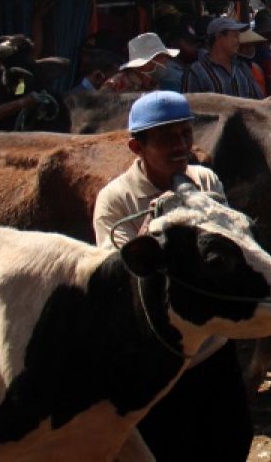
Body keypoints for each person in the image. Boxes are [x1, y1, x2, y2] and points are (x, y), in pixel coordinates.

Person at [91, 91, 252, 461]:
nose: (181, 146)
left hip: (212, 346)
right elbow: (117, 283)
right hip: (160, 356)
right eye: (167, 138)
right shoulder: (116, 200)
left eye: (185, 134)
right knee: (167, 446)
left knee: (232, 438)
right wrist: (149, 236)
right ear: (137, 146)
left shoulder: (205, 181)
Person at [182, 16, 264, 98]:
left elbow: (258, 99)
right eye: (235, 36)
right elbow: (190, 106)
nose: (238, 41)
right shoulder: (196, 72)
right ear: (219, 36)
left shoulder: (242, 68)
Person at [101, 33, 178, 94]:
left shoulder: (153, 83)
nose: (164, 61)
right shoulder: (115, 84)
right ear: (142, 64)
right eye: (159, 57)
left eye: (165, 57)